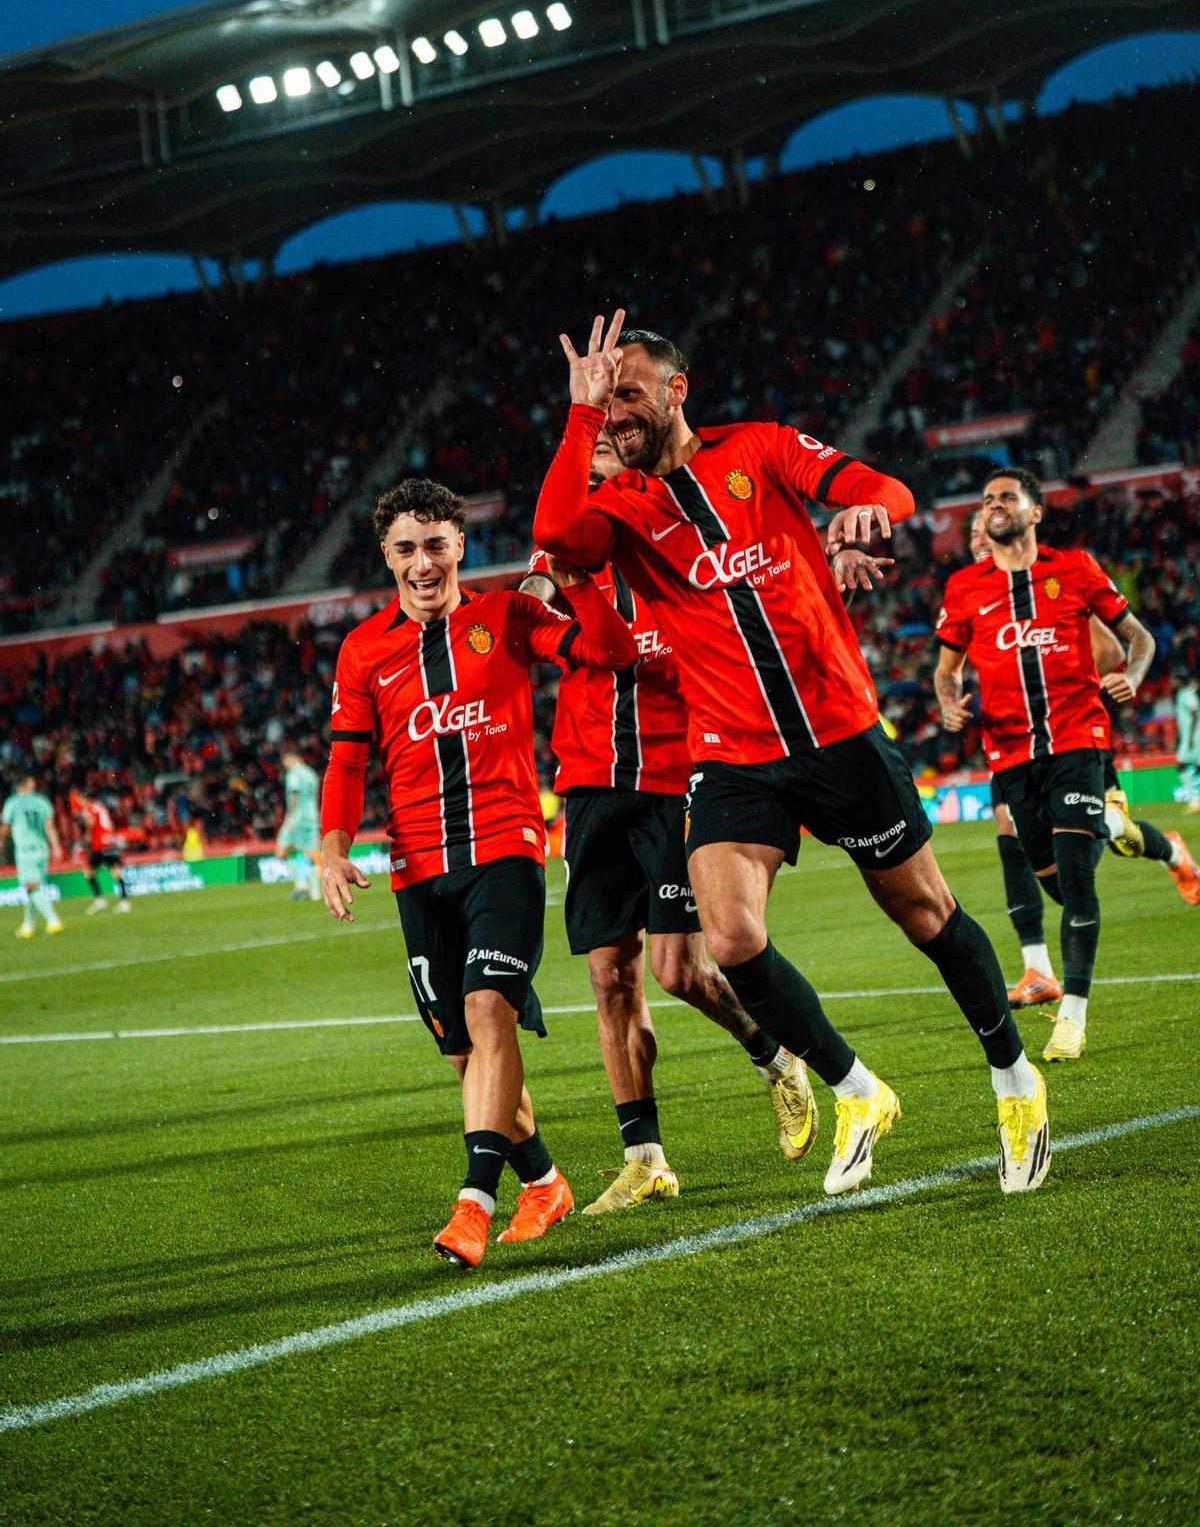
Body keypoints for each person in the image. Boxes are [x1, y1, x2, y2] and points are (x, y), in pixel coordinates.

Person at [535, 314, 1050, 1197]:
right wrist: (580, 413)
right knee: (731, 938)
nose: (615, 413)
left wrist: (863, 514)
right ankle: (856, 1090)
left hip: (837, 731)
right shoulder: (619, 509)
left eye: (628, 394)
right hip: (731, 753)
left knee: (927, 915)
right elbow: (554, 530)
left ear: (676, 390)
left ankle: (1014, 1079)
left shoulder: (761, 448)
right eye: (605, 400)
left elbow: (885, 489)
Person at [320, 476, 638, 1268]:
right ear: (386, 556)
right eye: (406, 549)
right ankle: (545, 1182)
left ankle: (473, 1206)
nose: (423, 563)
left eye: (436, 545)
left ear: (460, 545)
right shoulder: (363, 650)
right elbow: (348, 761)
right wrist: (331, 845)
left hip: (505, 850)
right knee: (466, 1056)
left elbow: (611, 653)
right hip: (417, 870)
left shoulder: (509, 616)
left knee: (490, 1009)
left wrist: (576, 584)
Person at [524, 430, 818, 1215]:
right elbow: (538, 608)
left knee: (677, 972)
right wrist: (549, 596)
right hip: (589, 784)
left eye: (605, 453)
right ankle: (644, 1158)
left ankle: (773, 1054)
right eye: (583, 458)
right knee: (608, 977)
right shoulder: (560, 555)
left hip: (673, 777)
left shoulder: (680, 538)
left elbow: (678, 636)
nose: (594, 465)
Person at [936, 469, 1159, 1063]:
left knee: (1077, 882)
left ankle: (1072, 1015)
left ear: (1035, 512)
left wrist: (1133, 678)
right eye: (987, 499)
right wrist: (948, 702)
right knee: (1055, 882)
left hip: (1077, 740)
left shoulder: (1076, 569)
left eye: (1007, 497)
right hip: (1011, 755)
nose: (994, 505)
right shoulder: (964, 587)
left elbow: (1139, 639)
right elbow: (946, 669)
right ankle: (1113, 826)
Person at [964, 509, 1200, 1007]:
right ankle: (1037, 971)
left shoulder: (1053, 586)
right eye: (974, 534)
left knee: (1093, 845)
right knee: (1012, 837)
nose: (981, 539)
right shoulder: (974, 598)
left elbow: (1113, 656)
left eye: (987, 530)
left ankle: (1169, 850)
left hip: (1072, 739)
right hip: (1012, 745)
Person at [2, 774, 64, 939]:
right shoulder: (42, 801)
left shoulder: (12, 803)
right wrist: (56, 846)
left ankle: (53, 920)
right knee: (34, 888)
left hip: (25, 850)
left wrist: (1, 841)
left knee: (31, 887)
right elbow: (49, 826)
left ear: (18, 786)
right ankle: (28, 926)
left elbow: (6, 827)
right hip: (42, 849)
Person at [71, 788, 132, 914]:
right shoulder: (100, 806)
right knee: (116, 872)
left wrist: (88, 837)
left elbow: (90, 822)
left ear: (84, 798)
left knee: (89, 872)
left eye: (80, 799)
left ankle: (100, 901)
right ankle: (124, 902)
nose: (79, 802)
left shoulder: (88, 808)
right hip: (109, 841)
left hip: (99, 844)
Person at [278, 747, 322, 901]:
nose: (284, 764)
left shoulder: (293, 774)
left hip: (297, 817)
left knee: (281, 850)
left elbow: (295, 794)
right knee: (311, 853)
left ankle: (301, 882)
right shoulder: (311, 773)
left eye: (284, 761)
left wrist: (290, 817)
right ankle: (315, 891)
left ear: (291, 758)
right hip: (312, 817)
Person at [1175, 674, 1200, 813]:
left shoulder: (1186, 693)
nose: (1171, 682)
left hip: (1193, 737)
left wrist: (1190, 737)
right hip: (1189, 736)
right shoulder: (1181, 694)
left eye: (1174, 679)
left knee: (1182, 764)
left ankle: (1193, 800)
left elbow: (1194, 713)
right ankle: (1194, 800)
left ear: (1180, 680)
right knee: (1194, 766)